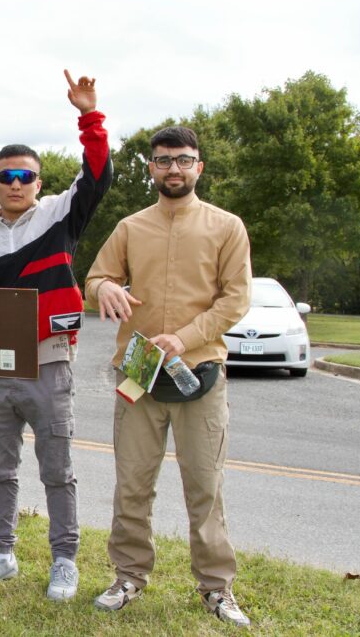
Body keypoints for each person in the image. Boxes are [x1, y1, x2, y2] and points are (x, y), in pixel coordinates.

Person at [84, 126, 253, 627]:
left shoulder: (227, 226)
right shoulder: (130, 227)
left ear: (199, 167)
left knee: (205, 485)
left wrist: (185, 336)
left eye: (183, 160)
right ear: (151, 169)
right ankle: (129, 576)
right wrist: (105, 289)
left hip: (198, 370)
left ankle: (217, 588)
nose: (173, 168)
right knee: (132, 482)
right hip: (138, 372)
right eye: (163, 160)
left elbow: (235, 298)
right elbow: (95, 277)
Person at [0, 71, 110, 600]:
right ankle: (1, 552)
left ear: (39, 183)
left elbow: (97, 176)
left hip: (49, 362)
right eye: (6, 176)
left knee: (57, 469)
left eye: (25, 175)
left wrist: (89, 115)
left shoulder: (59, 217)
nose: (17, 183)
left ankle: (64, 559)